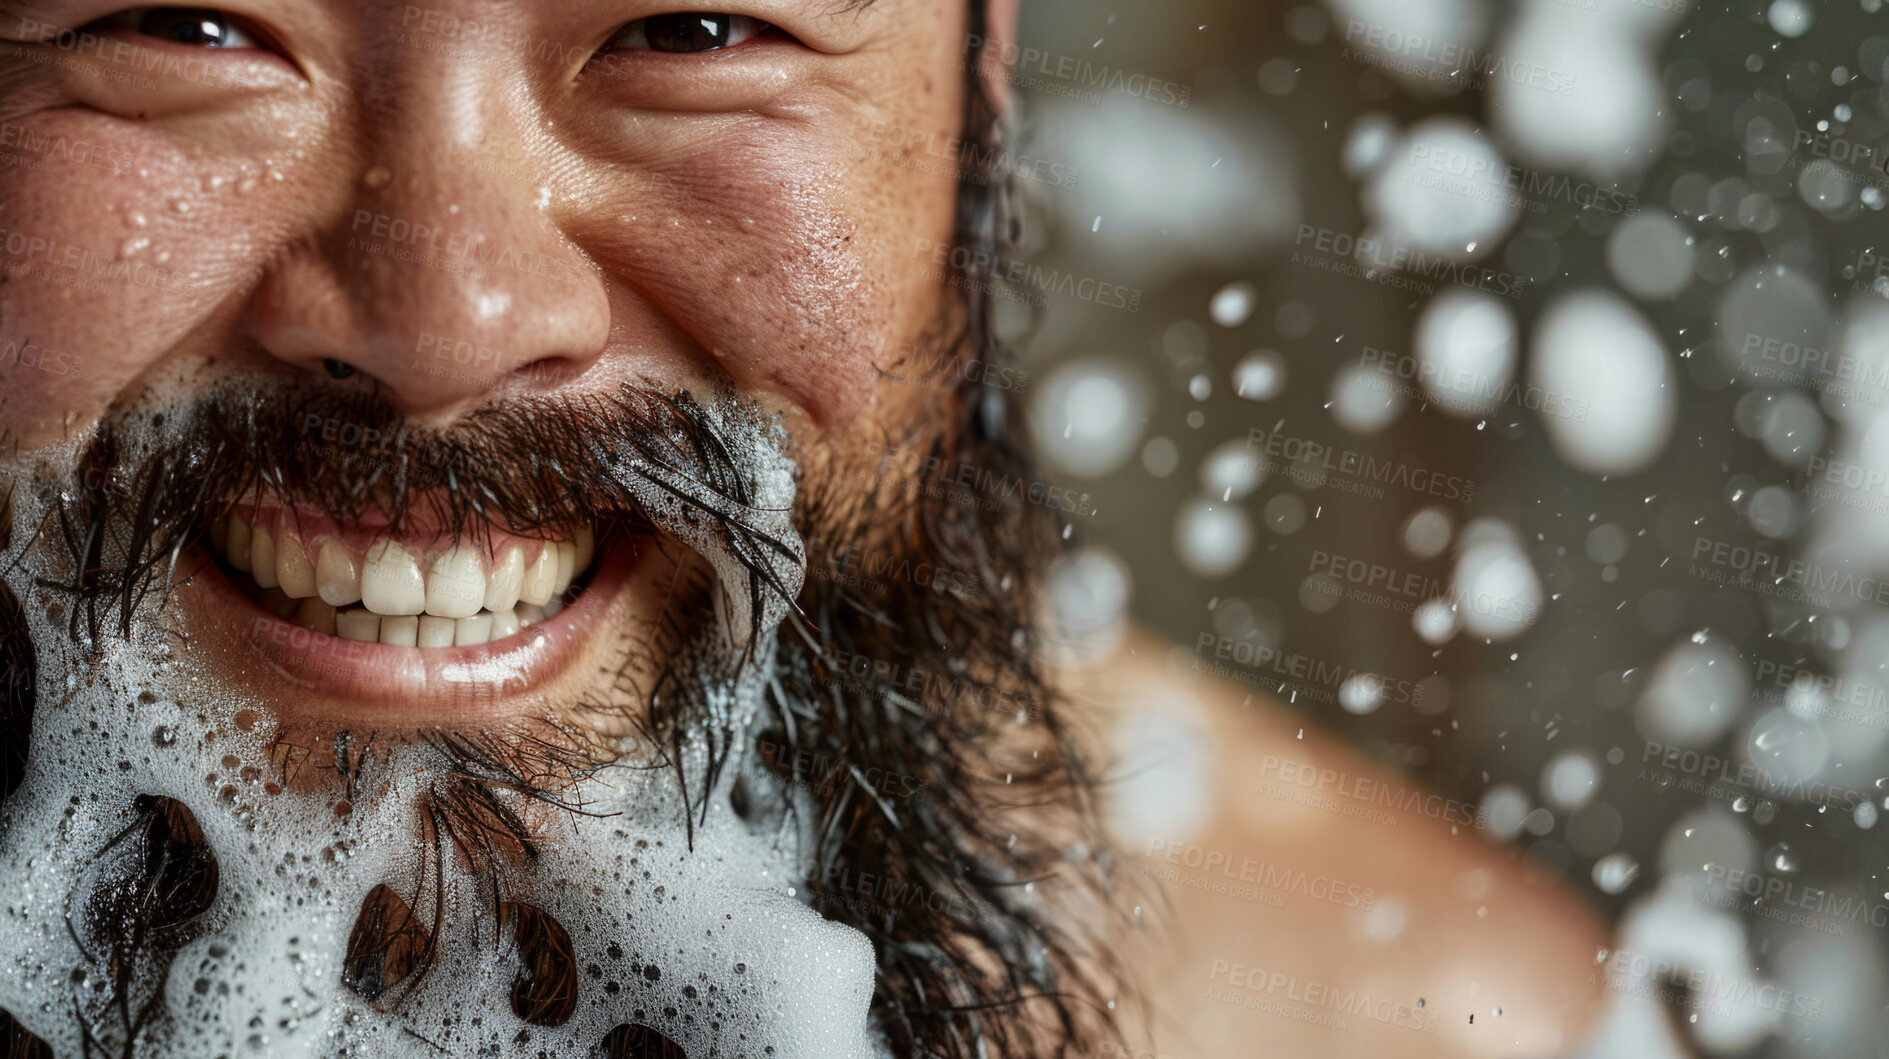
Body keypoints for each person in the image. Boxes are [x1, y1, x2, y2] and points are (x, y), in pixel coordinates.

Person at [0, 2, 1611, 1056]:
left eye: (690, 29)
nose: (447, 319)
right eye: (185, 25)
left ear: (980, 85)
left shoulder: (1397, 1021)